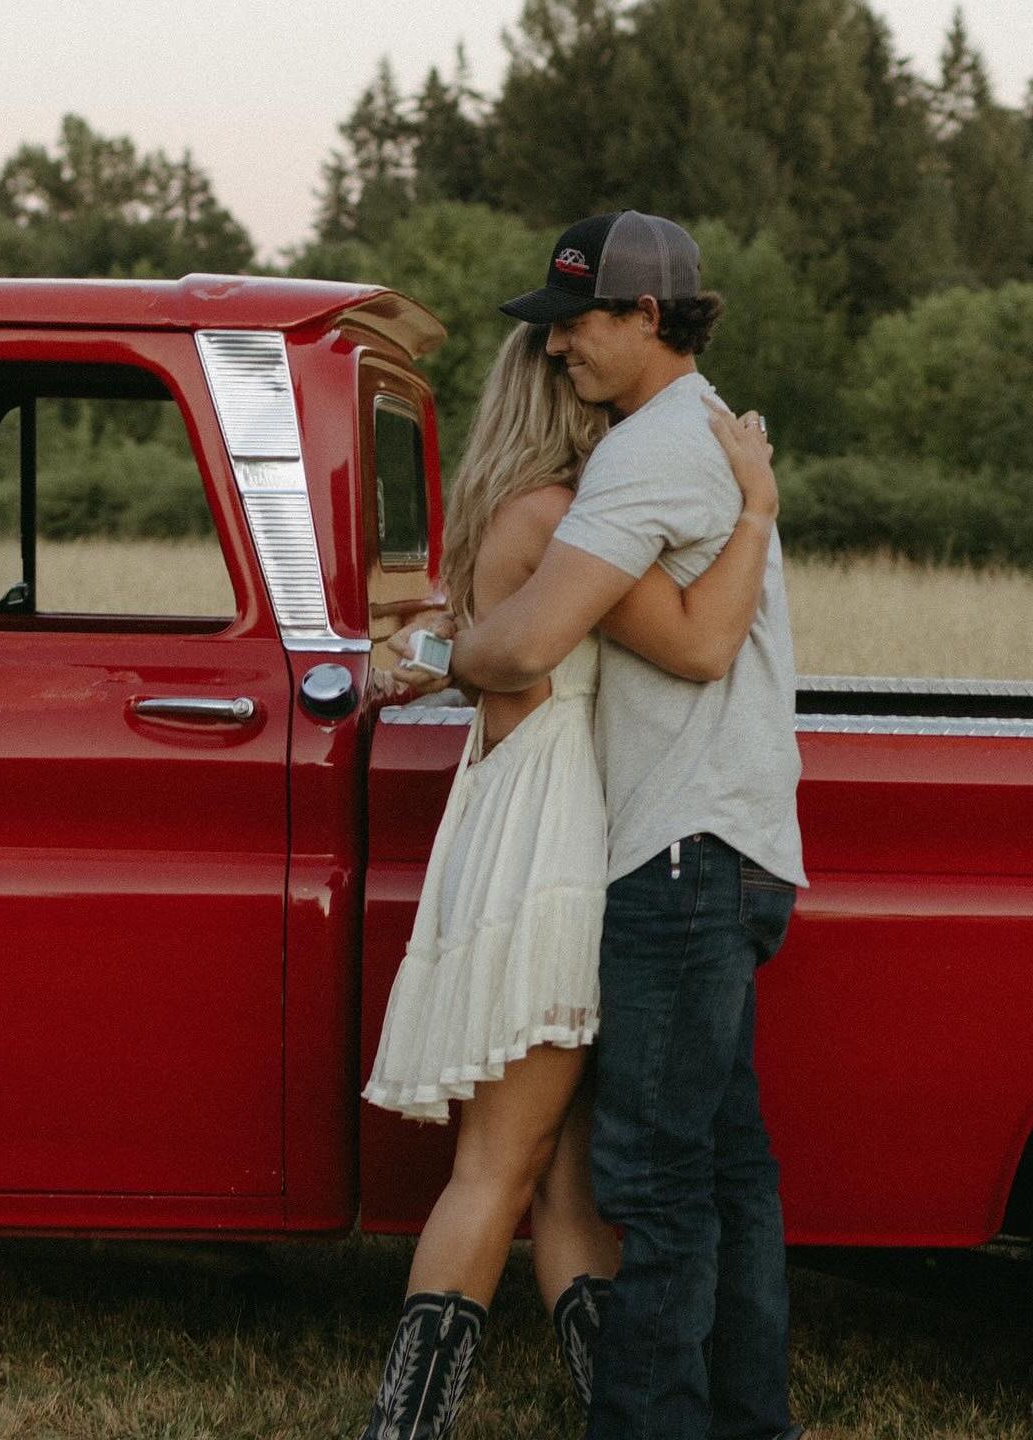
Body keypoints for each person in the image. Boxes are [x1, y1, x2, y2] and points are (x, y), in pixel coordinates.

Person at [387, 211, 807, 1440]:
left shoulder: (632, 467)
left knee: (636, 1179)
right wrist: (755, 513)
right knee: (667, 1172)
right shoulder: (643, 467)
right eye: (553, 335)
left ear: (644, 316)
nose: (560, 343)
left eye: (576, 321)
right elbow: (666, 641)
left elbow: (589, 646)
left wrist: (427, 656)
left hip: (644, 848)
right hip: (630, 845)